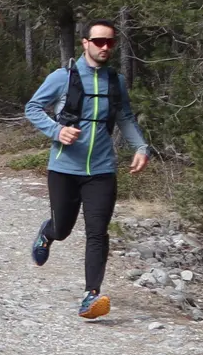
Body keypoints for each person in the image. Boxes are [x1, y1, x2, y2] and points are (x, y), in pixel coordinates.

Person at [23, 19, 150, 319]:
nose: (105, 47)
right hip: (64, 168)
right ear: (85, 43)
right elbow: (32, 108)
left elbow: (125, 118)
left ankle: (90, 296)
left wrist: (142, 148)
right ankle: (48, 233)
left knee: (98, 232)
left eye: (110, 42)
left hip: (102, 170)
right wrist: (56, 131)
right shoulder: (62, 77)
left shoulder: (115, 81)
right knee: (64, 229)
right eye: (99, 42)